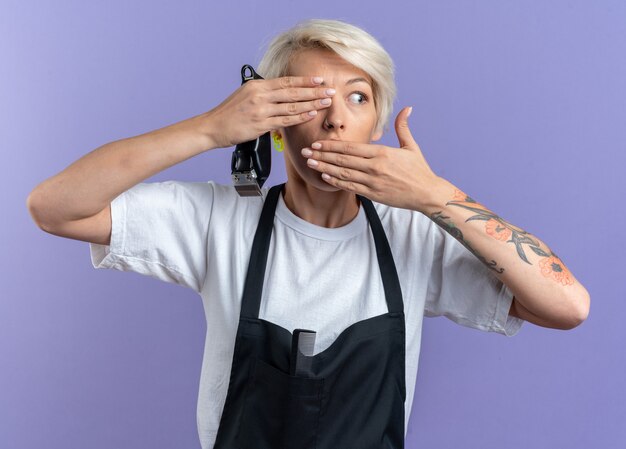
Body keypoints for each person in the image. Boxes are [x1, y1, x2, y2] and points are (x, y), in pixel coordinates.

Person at [27, 18, 590, 449]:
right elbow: (54, 207)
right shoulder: (217, 222)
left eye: (357, 96)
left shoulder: (414, 235)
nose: (335, 118)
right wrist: (209, 129)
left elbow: (567, 306)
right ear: (272, 117)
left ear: (376, 121)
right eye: (309, 97)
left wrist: (438, 197)